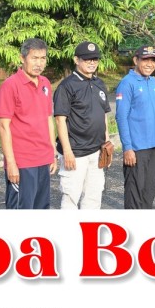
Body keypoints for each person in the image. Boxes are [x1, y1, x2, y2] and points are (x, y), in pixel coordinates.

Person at [0, 37, 57, 209]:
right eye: (34, 58)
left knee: (41, 208)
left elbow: (48, 119)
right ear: (22, 58)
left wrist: (52, 153)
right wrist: (11, 163)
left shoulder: (45, 83)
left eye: (43, 58)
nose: (39, 63)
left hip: (43, 158)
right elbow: (3, 126)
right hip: (22, 162)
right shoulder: (10, 86)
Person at [52, 40, 112, 209]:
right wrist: (67, 152)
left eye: (95, 59)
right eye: (87, 59)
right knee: (71, 197)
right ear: (76, 60)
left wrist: (107, 145)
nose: (92, 62)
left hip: (97, 151)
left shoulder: (99, 84)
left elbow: (103, 116)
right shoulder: (67, 86)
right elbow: (60, 120)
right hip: (76, 152)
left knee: (94, 197)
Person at [114, 45, 155, 209]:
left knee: (149, 194)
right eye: (145, 60)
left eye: (153, 60)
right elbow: (121, 117)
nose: (150, 64)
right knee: (134, 194)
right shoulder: (127, 83)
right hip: (136, 149)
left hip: (154, 147)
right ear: (136, 60)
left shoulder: (153, 82)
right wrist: (127, 148)